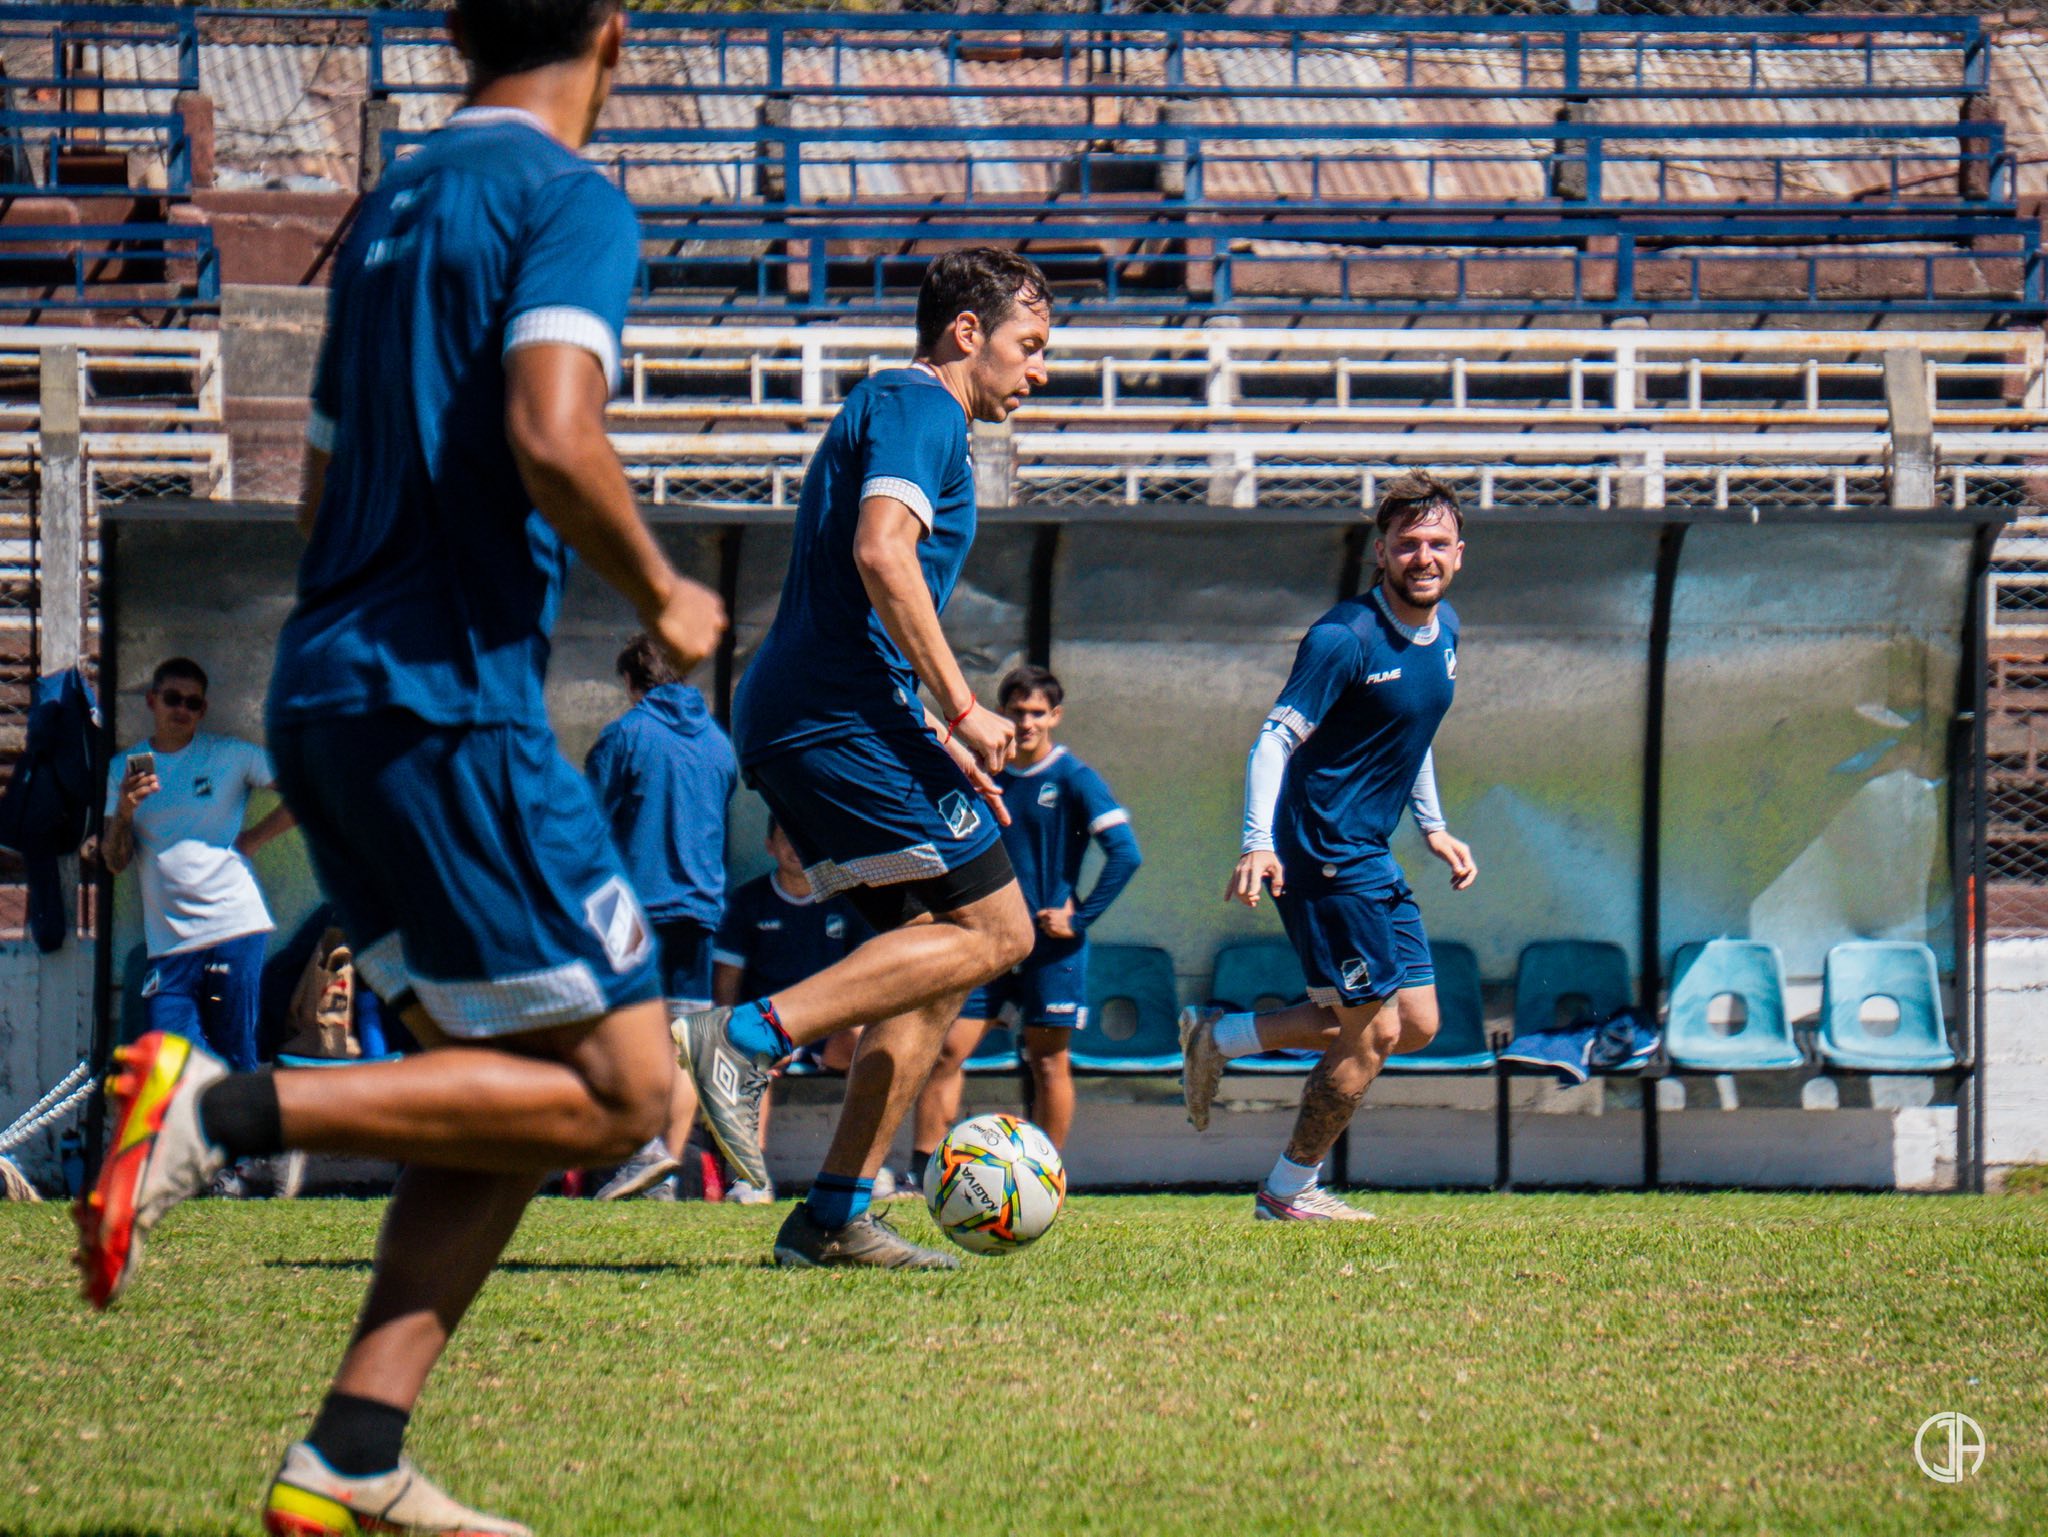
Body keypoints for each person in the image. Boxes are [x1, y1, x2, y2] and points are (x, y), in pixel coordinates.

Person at [71, 5, 726, 1535]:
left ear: (451, 28)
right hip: (449, 707)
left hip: (329, 682)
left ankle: (352, 1450)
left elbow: (311, 490)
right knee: (629, 1093)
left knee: (504, 1088)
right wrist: (663, 594)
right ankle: (220, 1116)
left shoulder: (389, 213)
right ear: (616, 32)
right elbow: (554, 433)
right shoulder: (565, 199)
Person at [674, 247, 1052, 1271]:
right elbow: (881, 553)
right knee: (997, 929)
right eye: (1031, 344)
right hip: (829, 715)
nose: (1040, 370)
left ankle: (832, 1213)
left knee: (933, 967)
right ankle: (745, 1038)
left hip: (839, 712)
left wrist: (930, 732)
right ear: (966, 332)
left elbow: (870, 600)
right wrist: (963, 706)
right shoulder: (918, 402)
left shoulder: (910, 414)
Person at [1178, 472, 1478, 1222]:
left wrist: (1433, 826)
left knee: (1417, 1023)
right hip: (1319, 853)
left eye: (1437, 543)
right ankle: (1287, 1192)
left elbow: (1411, 733)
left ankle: (1223, 1036)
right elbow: (1273, 741)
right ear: (1380, 552)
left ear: (1459, 554)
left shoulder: (1448, 632)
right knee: (1372, 1029)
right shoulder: (1343, 637)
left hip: (1369, 849)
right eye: (1407, 543)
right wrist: (1256, 841)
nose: (1423, 556)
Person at [912, 665, 1139, 1178]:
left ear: (1055, 716)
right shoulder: (979, 773)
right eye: (1017, 711)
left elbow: (1126, 853)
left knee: (1048, 1063)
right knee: (946, 1052)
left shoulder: (1074, 777)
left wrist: (1079, 917)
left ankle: (1043, 1177)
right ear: (1001, 714)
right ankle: (919, 1171)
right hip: (987, 940)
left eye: (1038, 713)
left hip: (1051, 947)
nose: (1028, 722)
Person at [586, 632, 737, 1202]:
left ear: (631, 682)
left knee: (619, 1035)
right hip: (700, 912)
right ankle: (667, 1171)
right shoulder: (719, 744)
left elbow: (586, 829)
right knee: (682, 1044)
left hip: (634, 912)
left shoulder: (626, 734)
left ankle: (642, 1159)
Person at [103, 657, 296, 1076]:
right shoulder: (125, 769)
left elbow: (307, 791)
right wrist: (123, 811)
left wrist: (253, 839)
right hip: (169, 945)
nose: (182, 710)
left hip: (232, 928)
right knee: (167, 1063)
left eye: (193, 703)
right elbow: (115, 862)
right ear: (152, 701)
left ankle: (238, 1143)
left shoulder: (229, 754)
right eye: (172, 699)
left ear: (203, 710)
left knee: (234, 1059)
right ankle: (194, 1139)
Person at [710, 818, 872, 1203]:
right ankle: (751, 1177)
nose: (796, 848)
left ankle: (867, 1170)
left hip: (829, 1026)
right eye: (786, 838)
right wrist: (730, 1036)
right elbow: (726, 987)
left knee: (872, 1042)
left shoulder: (845, 902)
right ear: (769, 845)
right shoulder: (748, 903)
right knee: (752, 1051)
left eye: (805, 838)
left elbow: (868, 980)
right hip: (770, 1024)